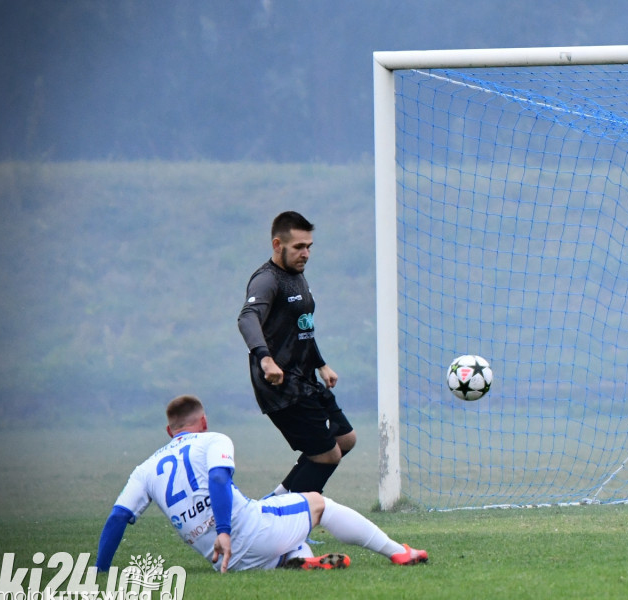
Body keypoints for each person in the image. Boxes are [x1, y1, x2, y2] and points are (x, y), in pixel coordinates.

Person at [96, 395, 427, 573]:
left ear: (170, 431)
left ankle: (295, 559)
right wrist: (224, 529)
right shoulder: (212, 440)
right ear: (203, 422)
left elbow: (116, 519)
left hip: (223, 561)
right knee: (316, 502)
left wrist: (100, 572)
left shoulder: (145, 469)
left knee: (283, 524)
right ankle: (399, 553)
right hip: (245, 533)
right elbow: (217, 479)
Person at [238, 211, 356, 495]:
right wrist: (266, 360)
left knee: (345, 439)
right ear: (277, 244)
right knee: (327, 455)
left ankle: (275, 500)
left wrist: (321, 364)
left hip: (304, 378)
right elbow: (247, 318)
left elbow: (302, 329)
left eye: (309, 247)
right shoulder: (267, 281)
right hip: (281, 387)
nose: (306, 253)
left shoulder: (298, 275)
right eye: (299, 247)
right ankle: (288, 524)